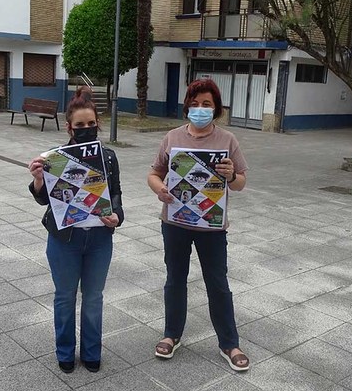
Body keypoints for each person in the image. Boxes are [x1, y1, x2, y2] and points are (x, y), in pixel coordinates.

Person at [147, 78, 250, 371]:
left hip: (212, 227)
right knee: (174, 280)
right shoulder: (172, 137)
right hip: (175, 222)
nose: (200, 109)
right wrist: (159, 189)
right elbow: (154, 173)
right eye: (195, 104)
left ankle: (229, 343)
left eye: (207, 104)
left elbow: (241, 182)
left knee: (217, 283)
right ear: (187, 107)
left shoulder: (228, 141)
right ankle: (172, 334)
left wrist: (231, 176)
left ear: (216, 108)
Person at [28, 87, 124, 374]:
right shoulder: (54, 158)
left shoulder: (107, 157)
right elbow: (43, 198)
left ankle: (92, 352)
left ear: (97, 124)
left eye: (90, 124)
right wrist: (37, 179)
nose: (85, 129)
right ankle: (65, 352)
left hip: (98, 238)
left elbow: (116, 194)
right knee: (65, 296)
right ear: (69, 127)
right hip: (63, 239)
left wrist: (117, 216)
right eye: (79, 125)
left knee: (94, 297)